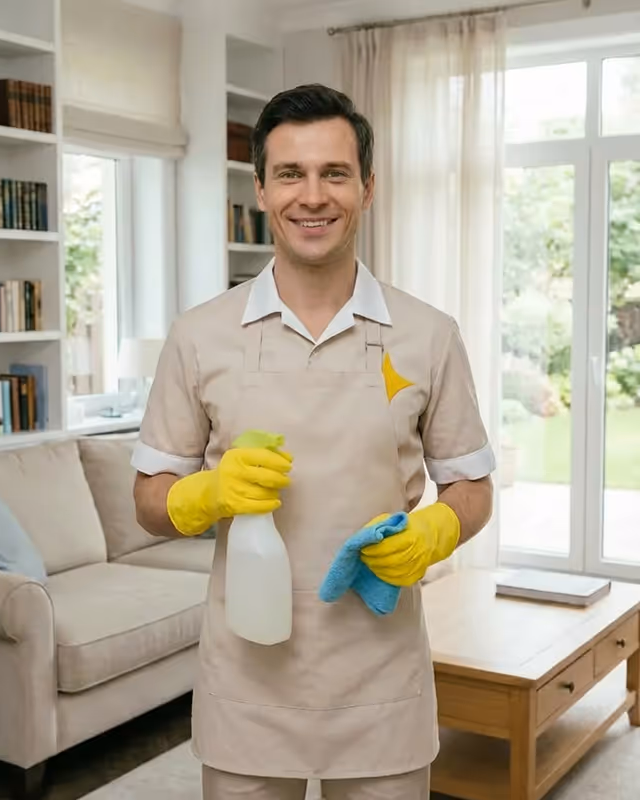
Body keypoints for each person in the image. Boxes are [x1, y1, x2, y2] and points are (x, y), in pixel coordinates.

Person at [132, 83, 495, 800]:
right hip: (248, 673)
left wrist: (437, 530)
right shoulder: (199, 336)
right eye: (291, 174)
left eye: (334, 173)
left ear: (367, 187)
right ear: (261, 190)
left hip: (381, 671)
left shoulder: (429, 335)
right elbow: (147, 498)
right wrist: (203, 495)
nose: (313, 196)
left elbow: (472, 484)